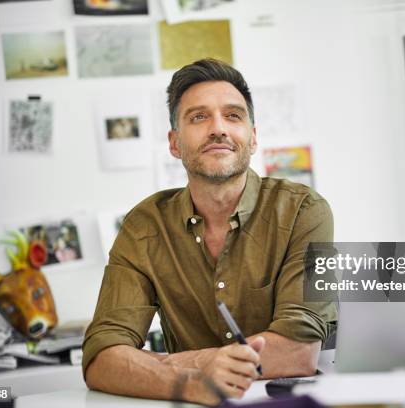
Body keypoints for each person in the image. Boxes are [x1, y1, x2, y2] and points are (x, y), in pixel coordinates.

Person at [82, 58, 336, 405]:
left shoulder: (303, 211)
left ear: (253, 137)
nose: (218, 128)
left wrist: (164, 365)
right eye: (198, 117)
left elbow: (297, 352)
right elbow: (101, 359)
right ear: (174, 143)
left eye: (233, 115)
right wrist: (194, 381)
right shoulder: (144, 226)